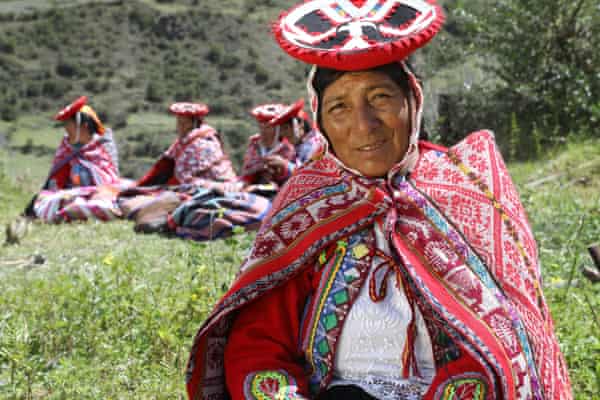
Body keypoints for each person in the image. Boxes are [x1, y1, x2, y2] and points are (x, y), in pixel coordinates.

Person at [185, 1, 572, 399]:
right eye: (340, 107)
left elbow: (503, 346)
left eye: (380, 98)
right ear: (321, 124)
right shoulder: (307, 205)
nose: (364, 125)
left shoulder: (466, 188)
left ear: (412, 101)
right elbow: (259, 344)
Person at [29, 96, 122, 223]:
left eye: (68, 124)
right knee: (48, 199)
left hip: (98, 193)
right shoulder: (66, 148)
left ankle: (77, 212)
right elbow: (55, 181)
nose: (66, 128)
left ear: (83, 126)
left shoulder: (103, 148)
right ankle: (74, 211)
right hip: (70, 193)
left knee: (105, 200)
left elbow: (110, 182)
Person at [137, 102, 238, 192]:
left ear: (194, 123)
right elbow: (165, 164)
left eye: (183, 123)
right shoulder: (183, 141)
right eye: (178, 122)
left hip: (216, 183)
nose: (179, 127)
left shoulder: (203, 142)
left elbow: (185, 175)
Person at [240, 103, 296, 188]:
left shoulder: (287, 148)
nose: (264, 132)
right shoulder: (254, 144)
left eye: (268, 128)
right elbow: (247, 172)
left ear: (278, 129)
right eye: (261, 127)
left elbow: (293, 175)